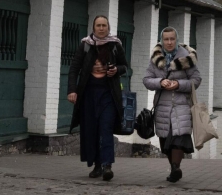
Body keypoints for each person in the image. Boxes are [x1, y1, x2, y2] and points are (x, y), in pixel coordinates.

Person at [67, 15, 129, 181]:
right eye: (98, 25)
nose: (101, 28)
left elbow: (125, 66)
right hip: (88, 95)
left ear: (108, 28)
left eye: (104, 25)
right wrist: (72, 90)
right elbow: (74, 69)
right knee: (91, 129)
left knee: (105, 127)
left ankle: (107, 165)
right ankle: (97, 165)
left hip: (108, 94)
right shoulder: (85, 45)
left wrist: (116, 69)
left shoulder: (115, 45)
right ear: (93, 28)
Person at [143, 27, 201, 183]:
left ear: (177, 40)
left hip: (181, 105)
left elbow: (196, 80)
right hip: (162, 106)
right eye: (166, 39)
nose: (169, 42)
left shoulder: (187, 58)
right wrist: (160, 82)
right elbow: (147, 80)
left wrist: (178, 84)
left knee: (179, 138)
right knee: (166, 141)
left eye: (172, 39)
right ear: (162, 40)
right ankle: (174, 168)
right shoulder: (156, 58)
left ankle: (176, 168)